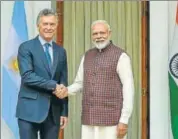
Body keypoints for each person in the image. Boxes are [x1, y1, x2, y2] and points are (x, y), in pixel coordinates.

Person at [57, 20, 135, 139]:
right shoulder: (87, 55)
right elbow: (79, 83)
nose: (99, 36)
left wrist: (124, 120)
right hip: (89, 120)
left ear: (109, 33)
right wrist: (65, 91)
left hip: (112, 121)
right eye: (95, 33)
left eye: (102, 33)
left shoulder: (121, 56)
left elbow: (128, 89)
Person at [16, 8, 68, 139]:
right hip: (29, 111)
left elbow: (63, 81)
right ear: (38, 25)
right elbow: (28, 76)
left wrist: (64, 111)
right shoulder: (26, 47)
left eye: (52, 24)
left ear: (56, 26)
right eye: (45, 24)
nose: (49, 27)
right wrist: (54, 86)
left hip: (53, 112)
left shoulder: (61, 51)